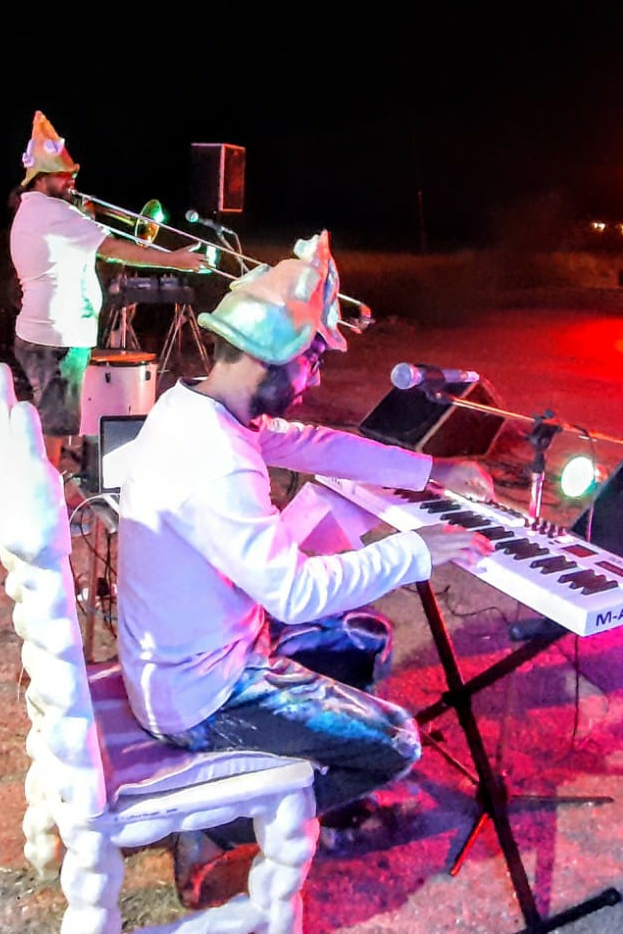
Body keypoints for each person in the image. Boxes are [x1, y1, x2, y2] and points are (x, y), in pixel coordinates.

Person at [113, 231, 496, 905]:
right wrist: (416, 550)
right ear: (270, 356)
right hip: (199, 698)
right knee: (395, 742)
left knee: (355, 634)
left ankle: (264, 790)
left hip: (186, 661)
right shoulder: (216, 462)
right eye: (311, 360)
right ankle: (220, 825)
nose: (315, 379)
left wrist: (432, 469)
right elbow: (292, 594)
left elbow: (310, 443)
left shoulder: (196, 409)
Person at [8, 110, 209, 469]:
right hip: (55, 338)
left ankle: (47, 477)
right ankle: (47, 489)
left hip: (52, 334)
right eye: (64, 175)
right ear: (41, 179)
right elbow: (114, 250)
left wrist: (84, 218)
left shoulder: (41, 211)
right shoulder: (52, 213)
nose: (71, 181)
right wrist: (174, 260)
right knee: (55, 424)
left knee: (56, 419)